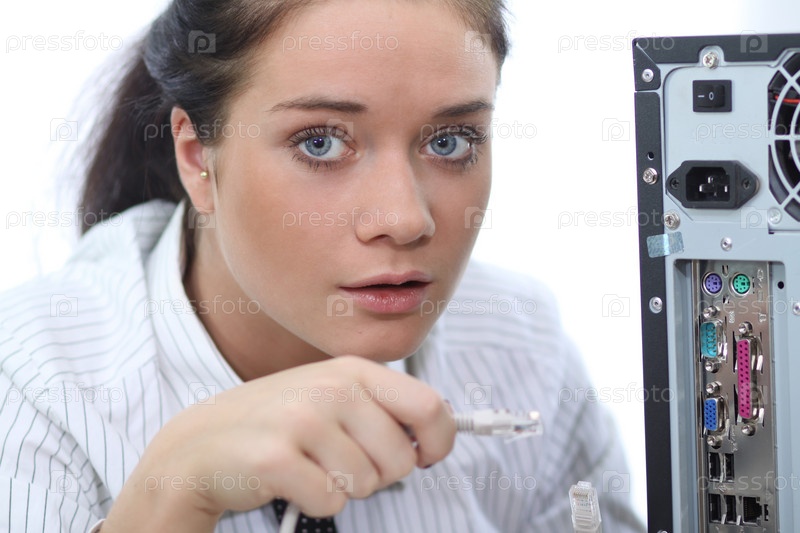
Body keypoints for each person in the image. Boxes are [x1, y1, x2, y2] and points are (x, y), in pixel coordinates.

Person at [0, 0, 645, 531]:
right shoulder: (32, 387)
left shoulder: (524, 353)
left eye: (450, 142)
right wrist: (169, 496)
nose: (405, 219)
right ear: (197, 157)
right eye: (321, 143)